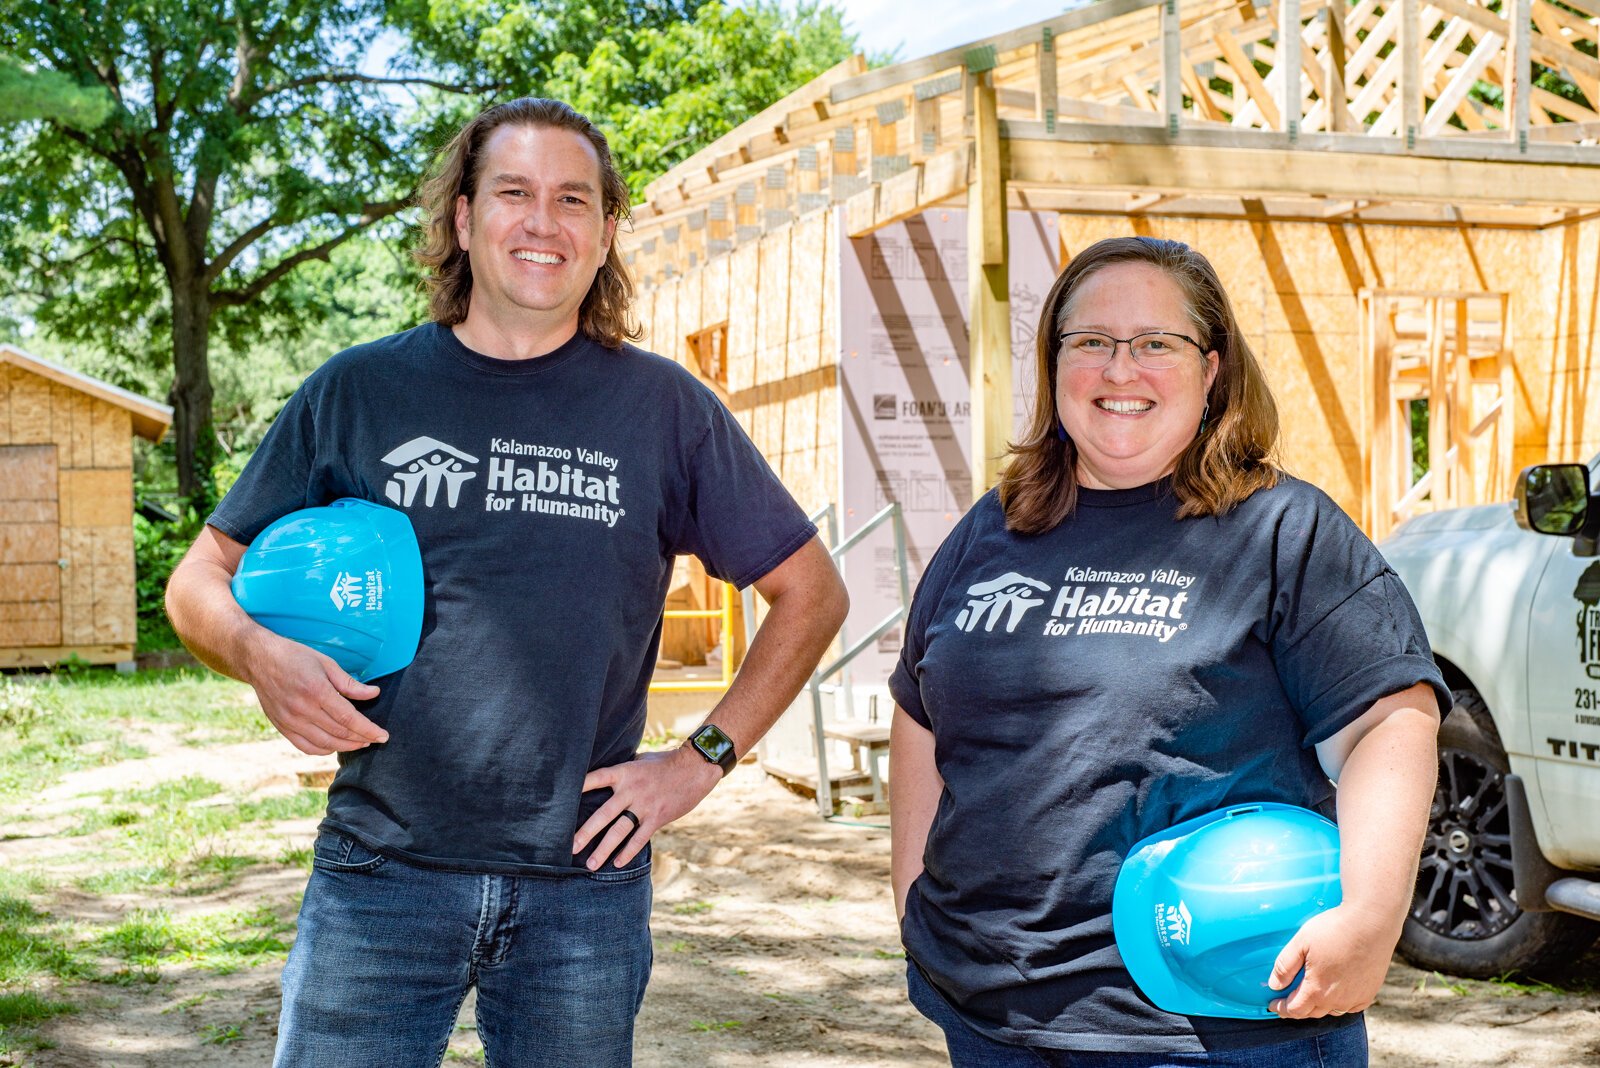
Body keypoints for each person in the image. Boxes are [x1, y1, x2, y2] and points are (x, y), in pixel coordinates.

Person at [165, 97, 848, 1068]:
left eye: (574, 199)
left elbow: (812, 590)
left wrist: (699, 759)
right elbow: (201, 578)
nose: (543, 221)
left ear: (607, 231)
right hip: (381, 872)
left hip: (583, 885)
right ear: (462, 218)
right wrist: (253, 652)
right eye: (513, 193)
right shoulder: (359, 392)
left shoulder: (662, 409)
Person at [888, 236, 1445, 1066]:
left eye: (1156, 343)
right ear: (1054, 364)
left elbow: (1394, 720)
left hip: (1211, 1019)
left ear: (1211, 368)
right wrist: (911, 899)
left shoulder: (1282, 528)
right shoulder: (994, 528)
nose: (1121, 371)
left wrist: (1370, 917)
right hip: (988, 1013)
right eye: (1091, 343)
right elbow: (921, 710)